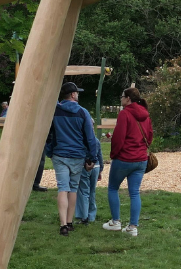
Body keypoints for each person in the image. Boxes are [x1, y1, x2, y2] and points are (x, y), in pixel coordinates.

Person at [45, 82, 99, 236]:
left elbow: (49, 133)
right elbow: (90, 138)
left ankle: (62, 225)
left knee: (63, 187)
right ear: (73, 95)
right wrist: (92, 158)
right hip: (77, 156)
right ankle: (69, 222)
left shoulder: (54, 111)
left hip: (60, 154)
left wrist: (50, 151)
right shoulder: (82, 112)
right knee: (73, 188)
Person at [103, 87, 151, 237]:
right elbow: (149, 136)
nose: (121, 99)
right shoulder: (145, 115)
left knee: (112, 188)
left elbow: (118, 138)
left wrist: (114, 154)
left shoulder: (124, 114)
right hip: (141, 159)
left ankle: (116, 222)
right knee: (134, 193)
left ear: (128, 99)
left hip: (124, 158)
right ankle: (132, 227)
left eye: (122, 96)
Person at [74, 132, 104, 226]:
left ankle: (84, 216)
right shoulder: (96, 140)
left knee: (83, 192)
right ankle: (91, 216)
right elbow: (100, 156)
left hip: (85, 166)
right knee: (92, 191)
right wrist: (100, 170)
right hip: (96, 166)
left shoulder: (80, 139)